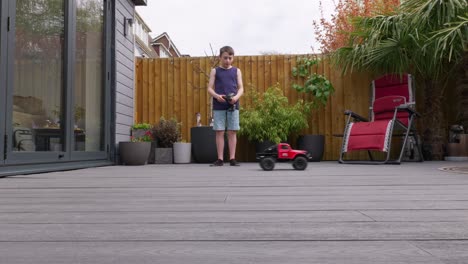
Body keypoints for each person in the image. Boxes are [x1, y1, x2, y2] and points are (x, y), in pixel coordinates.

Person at [207, 46, 244, 166]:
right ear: (220, 57)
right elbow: (209, 88)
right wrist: (217, 96)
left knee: (232, 131)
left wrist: (236, 98)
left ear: (233, 58)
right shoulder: (215, 71)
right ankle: (220, 159)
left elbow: (241, 88)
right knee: (220, 131)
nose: (227, 60)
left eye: (230, 58)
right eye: (225, 58)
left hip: (233, 104)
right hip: (219, 104)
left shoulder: (237, 71)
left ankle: (232, 159)